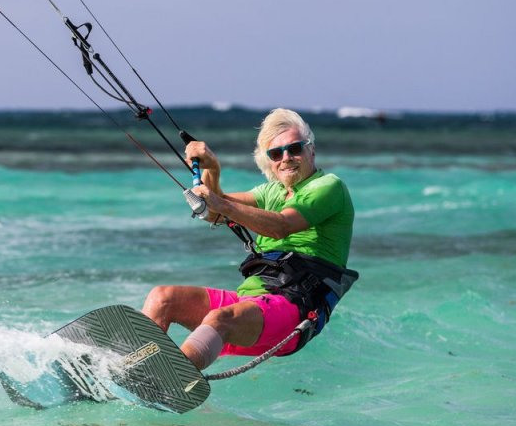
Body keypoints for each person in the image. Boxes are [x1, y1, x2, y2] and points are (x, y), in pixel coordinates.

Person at [141, 108, 356, 370]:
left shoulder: (328, 187)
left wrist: (221, 204)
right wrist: (212, 168)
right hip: (253, 301)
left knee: (221, 318)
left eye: (295, 149)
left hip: (297, 307)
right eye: (277, 153)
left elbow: (281, 226)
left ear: (311, 150)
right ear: (269, 161)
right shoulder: (271, 192)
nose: (286, 158)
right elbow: (214, 213)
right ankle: (130, 367)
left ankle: (168, 379)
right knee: (163, 298)